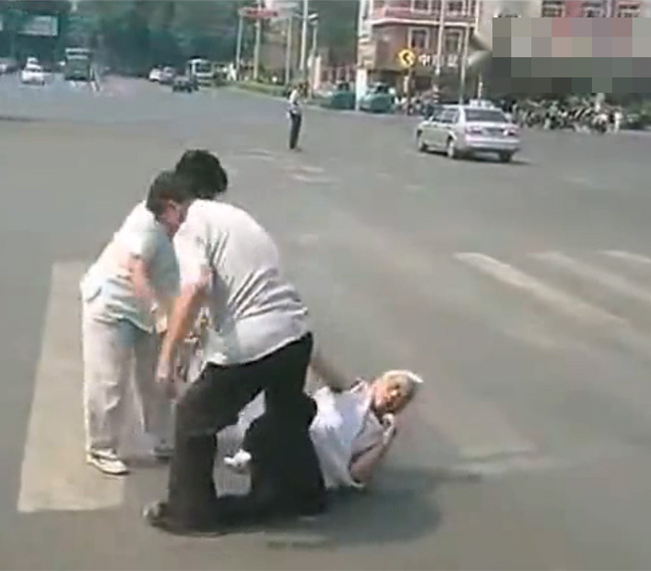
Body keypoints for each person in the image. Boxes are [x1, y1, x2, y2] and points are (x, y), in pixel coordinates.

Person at [142, 177, 324, 536]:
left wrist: (167, 357)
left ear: (172, 207)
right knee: (285, 415)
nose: (168, 233)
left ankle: (190, 514)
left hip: (253, 343)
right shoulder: (233, 217)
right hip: (295, 334)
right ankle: (305, 497)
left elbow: (195, 286)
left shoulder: (190, 226)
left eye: (164, 223)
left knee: (193, 417)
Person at [79, 151, 228, 476]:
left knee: (157, 379)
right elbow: (138, 271)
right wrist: (161, 315)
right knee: (109, 382)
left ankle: (162, 440)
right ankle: (101, 448)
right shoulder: (147, 221)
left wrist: (191, 321)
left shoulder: (189, 226)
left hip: (149, 310)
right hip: (113, 306)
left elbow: (188, 278)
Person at [224, 358, 422, 491]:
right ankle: (251, 454)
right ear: (377, 384)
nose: (394, 396)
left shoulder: (378, 435)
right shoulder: (353, 390)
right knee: (295, 406)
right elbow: (323, 367)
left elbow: (356, 475)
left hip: (316, 467)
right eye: (393, 387)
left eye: (403, 397)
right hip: (299, 432)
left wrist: (386, 442)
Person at [287, 82, 303, 150]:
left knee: (297, 130)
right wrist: (297, 104)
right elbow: (291, 102)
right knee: (294, 129)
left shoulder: (299, 94)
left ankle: (294, 144)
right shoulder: (295, 93)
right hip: (294, 113)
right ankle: (292, 145)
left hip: (298, 113)